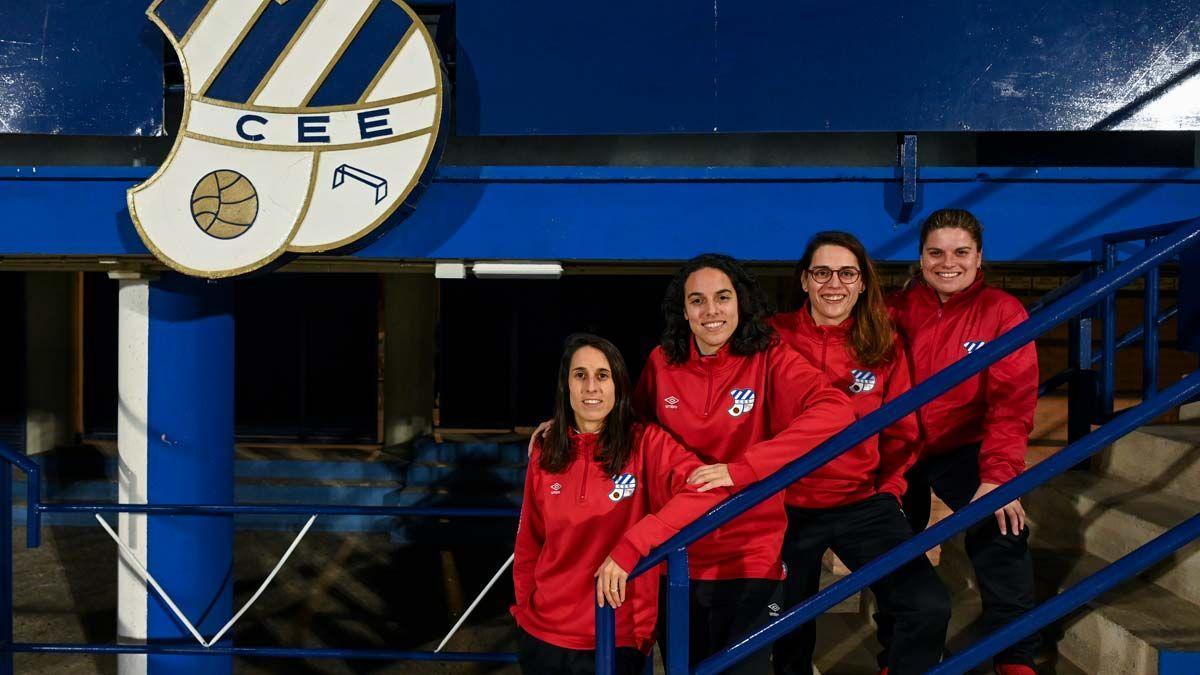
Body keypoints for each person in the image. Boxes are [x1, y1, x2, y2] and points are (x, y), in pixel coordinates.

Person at [634, 253, 857, 674]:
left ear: (741, 303)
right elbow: (629, 430)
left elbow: (836, 409)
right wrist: (566, 427)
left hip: (749, 553)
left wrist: (744, 469)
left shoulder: (769, 356)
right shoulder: (661, 362)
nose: (711, 310)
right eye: (697, 300)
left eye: (722, 297)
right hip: (676, 551)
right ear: (683, 310)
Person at [768, 231, 950, 675]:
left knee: (927, 605)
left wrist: (888, 490)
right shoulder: (773, 337)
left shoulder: (882, 343)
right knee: (783, 630)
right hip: (784, 505)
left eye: (847, 273)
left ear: (863, 282)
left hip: (860, 501)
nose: (835, 283)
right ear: (805, 281)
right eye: (822, 272)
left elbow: (902, 431)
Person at [512, 333, 730, 675]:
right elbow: (529, 544)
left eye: (602, 375)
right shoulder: (546, 450)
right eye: (579, 375)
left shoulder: (646, 444)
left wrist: (632, 545)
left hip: (616, 633)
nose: (591, 387)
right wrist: (526, 611)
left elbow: (708, 488)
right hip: (544, 636)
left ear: (618, 385)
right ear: (565, 386)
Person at [888, 209, 1040, 675]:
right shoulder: (893, 309)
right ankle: (899, 655)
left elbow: (1011, 402)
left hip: (966, 445)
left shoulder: (1002, 311)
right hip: (903, 447)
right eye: (935, 252)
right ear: (920, 257)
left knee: (1003, 529)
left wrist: (998, 476)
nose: (946, 262)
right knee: (893, 548)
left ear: (979, 257)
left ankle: (1014, 657)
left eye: (960, 252)